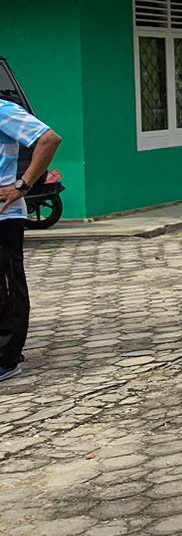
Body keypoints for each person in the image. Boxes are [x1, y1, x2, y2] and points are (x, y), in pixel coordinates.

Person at [0, 97, 61, 385]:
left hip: (4, 216)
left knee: (6, 285)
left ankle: (6, 358)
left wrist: (21, 186)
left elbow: (48, 139)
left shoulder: (2, 110)